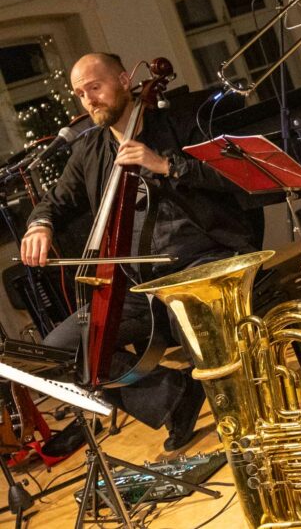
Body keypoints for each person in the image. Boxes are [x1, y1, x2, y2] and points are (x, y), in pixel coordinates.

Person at [22, 53, 258, 456]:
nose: (89, 99)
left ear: (124, 79)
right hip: (135, 284)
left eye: (95, 87)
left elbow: (236, 175)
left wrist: (166, 165)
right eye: (80, 94)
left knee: (199, 326)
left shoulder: (178, 123)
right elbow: (54, 203)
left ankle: (242, 416)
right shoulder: (89, 150)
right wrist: (38, 225)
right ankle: (174, 396)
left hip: (199, 265)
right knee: (61, 351)